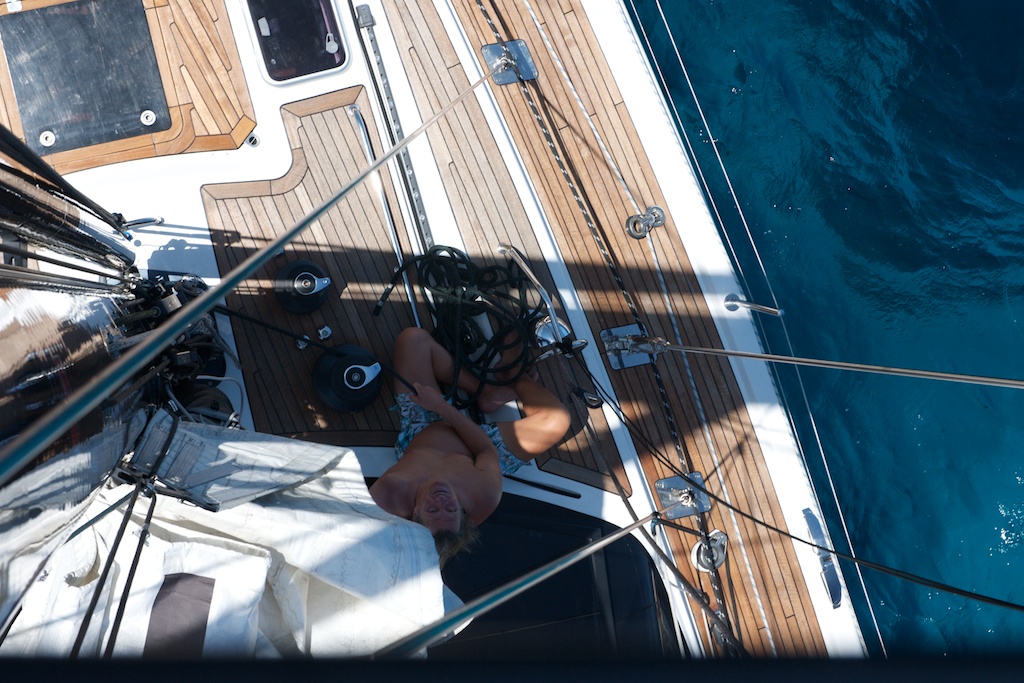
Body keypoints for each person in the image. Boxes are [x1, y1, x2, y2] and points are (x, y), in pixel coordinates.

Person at [369, 327, 571, 564]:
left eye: (432, 510)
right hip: (480, 446)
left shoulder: (389, 495)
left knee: (413, 340)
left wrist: (436, 406)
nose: (442, 500)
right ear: (463, 514)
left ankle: (486, 393)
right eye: (452, 510)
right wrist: (442, 407)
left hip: (421, 430)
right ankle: (514, 375)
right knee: (558, 420)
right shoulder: (483, 496)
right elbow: (485, 450)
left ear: (414, 513)